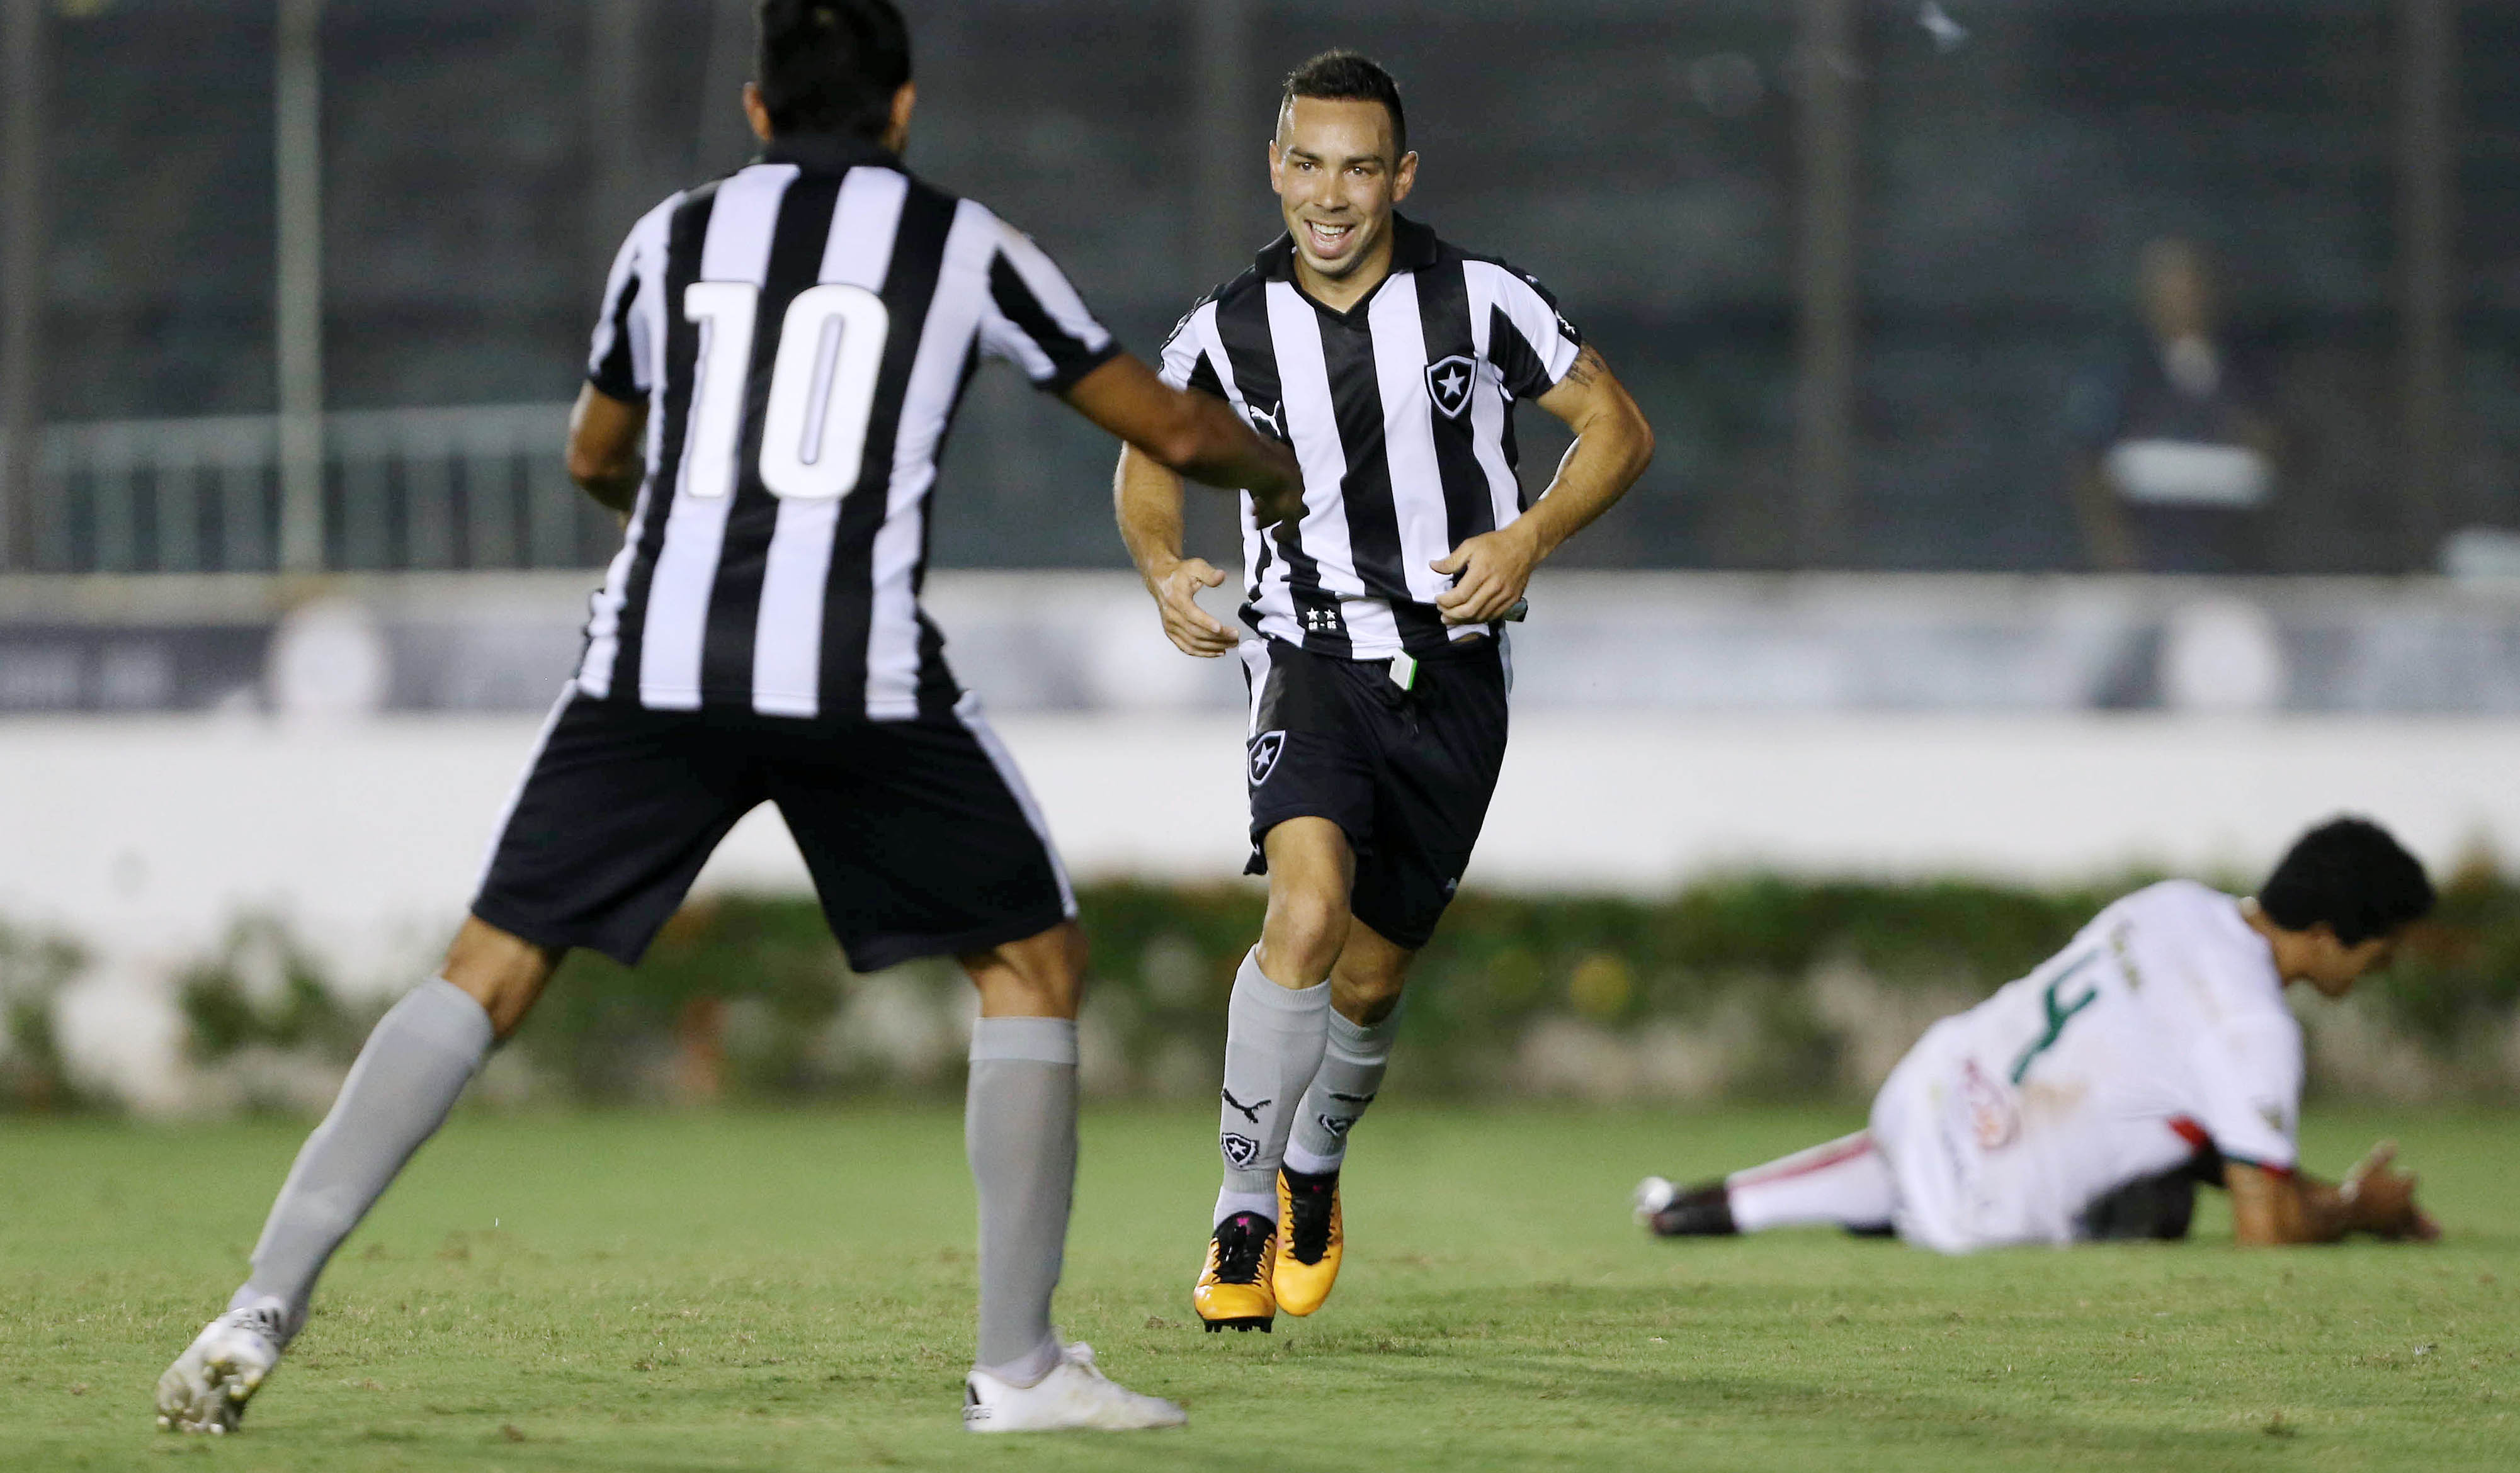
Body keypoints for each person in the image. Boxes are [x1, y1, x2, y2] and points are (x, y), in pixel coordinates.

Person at [156, 0, 1300, 1437]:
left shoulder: (670, 235)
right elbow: (1173, 428)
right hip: (853, 674)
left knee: (486, 968)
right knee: (1029, 956)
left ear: (757, 111)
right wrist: (1272, 477)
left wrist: (693, 526)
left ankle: (261, 1299)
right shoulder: (959, 242)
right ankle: (1015, 1368)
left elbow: (591, 453)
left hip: (650, 668)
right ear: (901, 108)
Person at [1113, 51, 1655, 1332]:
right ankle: (1240, 1219)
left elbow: (1619, 428)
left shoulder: (1481, 299)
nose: (1332, 194)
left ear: (1400, 175)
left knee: (1366, 982)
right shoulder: (1227, 326)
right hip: (1304, 654)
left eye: (1361, 167)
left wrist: (1524, 538)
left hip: (1456, 677)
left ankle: (1313, 1169)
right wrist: (1164, 566)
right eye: (1308, 163)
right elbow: (1148, 458)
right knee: (1304, 916)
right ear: (1275, 169)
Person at [1636, 817, 2441, 1253]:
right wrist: (2356, 1211)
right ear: (2333, 934)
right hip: (1989, 1208)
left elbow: (2187, 1108)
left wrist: (2312, 1189)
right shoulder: (2254, 1025)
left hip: (1933, 1088)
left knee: (1918, 1160)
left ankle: (1692, 1208)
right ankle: (1874, 1211)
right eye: (2382, 950)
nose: (2382, 968)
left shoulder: (2174, 904)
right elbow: (2264, 1234)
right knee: (2155, 1201)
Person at [2066, 237, 2281, 574]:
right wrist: (2117, 556)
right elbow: (2090, 469)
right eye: (2169, 289)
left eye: (2190, 287)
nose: (2181, 300)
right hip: (2148, 564)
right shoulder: (2121, 377)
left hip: (2232, 568)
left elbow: (2270, 453)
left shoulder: (2247, 374)